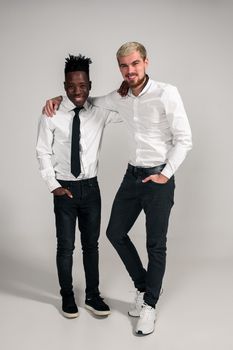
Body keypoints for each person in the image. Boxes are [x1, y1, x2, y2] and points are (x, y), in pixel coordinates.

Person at [43, 42, 192, 335]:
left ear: (146, 62)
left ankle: (149, 304)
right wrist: (58, 99)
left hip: (159, 178)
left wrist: (166, 173)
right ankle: (144, 287)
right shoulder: (120, 96)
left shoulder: (167, 93)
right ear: (119, 68)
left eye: (135, 64)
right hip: (132, 176)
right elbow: (86, 99)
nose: (130, 71)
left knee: (155, 244)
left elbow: (184, 139)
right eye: (124, 66)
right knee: (114, 233)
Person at [36, 54, 121, 319]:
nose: (77, 91)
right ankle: (67, 296)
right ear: (64, 86)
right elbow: (42, 152)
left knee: (91, 245)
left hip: (91, 189)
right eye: (71, 86)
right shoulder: (51, 113)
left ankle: (93, 296)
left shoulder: (99, 113)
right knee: (65, 247)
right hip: (65, 189)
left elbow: (126, 104)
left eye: (82, 85)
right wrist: (53, 185)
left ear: (90, 84)